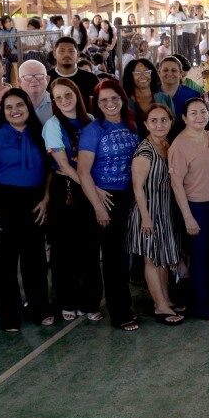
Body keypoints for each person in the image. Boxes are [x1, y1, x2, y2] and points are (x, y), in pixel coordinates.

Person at [0, 88, 52, 332]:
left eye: (19, 105)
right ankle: (10, 314)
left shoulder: (41, 133)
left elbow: (50, 169)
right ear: (3, 111)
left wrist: (46, 198)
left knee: (35, 258)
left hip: (34, 201)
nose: (14, 111)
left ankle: (39, 308)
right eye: (8, 107)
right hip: (3, 201)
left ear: (28, 106)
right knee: (6, 261)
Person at [77, 79, 141, 332]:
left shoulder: (131, 123)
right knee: (114, 258)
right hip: (105, 198)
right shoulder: (93, 130)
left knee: (125, 254)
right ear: (97, 104)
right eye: (103, 100)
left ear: (122, 98)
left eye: (114, 98)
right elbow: (83, 172)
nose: (110, 103)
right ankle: (121, 313)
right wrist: (98, 206)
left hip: (130, 196)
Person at [41, 77, 98, 322]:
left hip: (89, 186)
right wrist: (91, 188)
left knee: (88, 247)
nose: (64, 100)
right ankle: (66, 299)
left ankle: (90, 301)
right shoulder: (52, 125)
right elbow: (63, 164)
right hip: (66, 189)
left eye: (68, 94)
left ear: (77, 94)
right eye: (58, 97)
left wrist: (91, 187)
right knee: (63, 249)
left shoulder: (91, 121)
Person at [167, 99, 209, 321]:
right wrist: (188, 217)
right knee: (200, 257)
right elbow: (176, 184)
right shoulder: (179, 145)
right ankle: (202, 306)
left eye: (203, 111)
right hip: (195, 206)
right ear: (184, 118)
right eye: (193, 113)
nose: (200, 116)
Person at [128, 104, 183, 326]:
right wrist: (146, 217)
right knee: (151, 259)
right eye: (154, 120)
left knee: (163, 258)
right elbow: (137, 187)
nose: (159, 125)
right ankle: (160, 306)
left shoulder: (167, 145)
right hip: (148, 212)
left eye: (163, 120)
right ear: (146, 124)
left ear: (170, 122)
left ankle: (166, 300)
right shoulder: (145, 151)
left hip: (164, 210)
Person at [49, 37, 99, 104]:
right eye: (62, 51)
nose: (66, 54)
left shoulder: (91, 78)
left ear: (77, 55)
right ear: (54, 54)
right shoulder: (46, 79)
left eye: (71, 51)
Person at [122, 57, 173, 122]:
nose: (143, 76)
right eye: (137, 73)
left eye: (146, 72)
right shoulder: (125, 102)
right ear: (130, 77)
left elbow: (172, 122)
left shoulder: (164, 98)